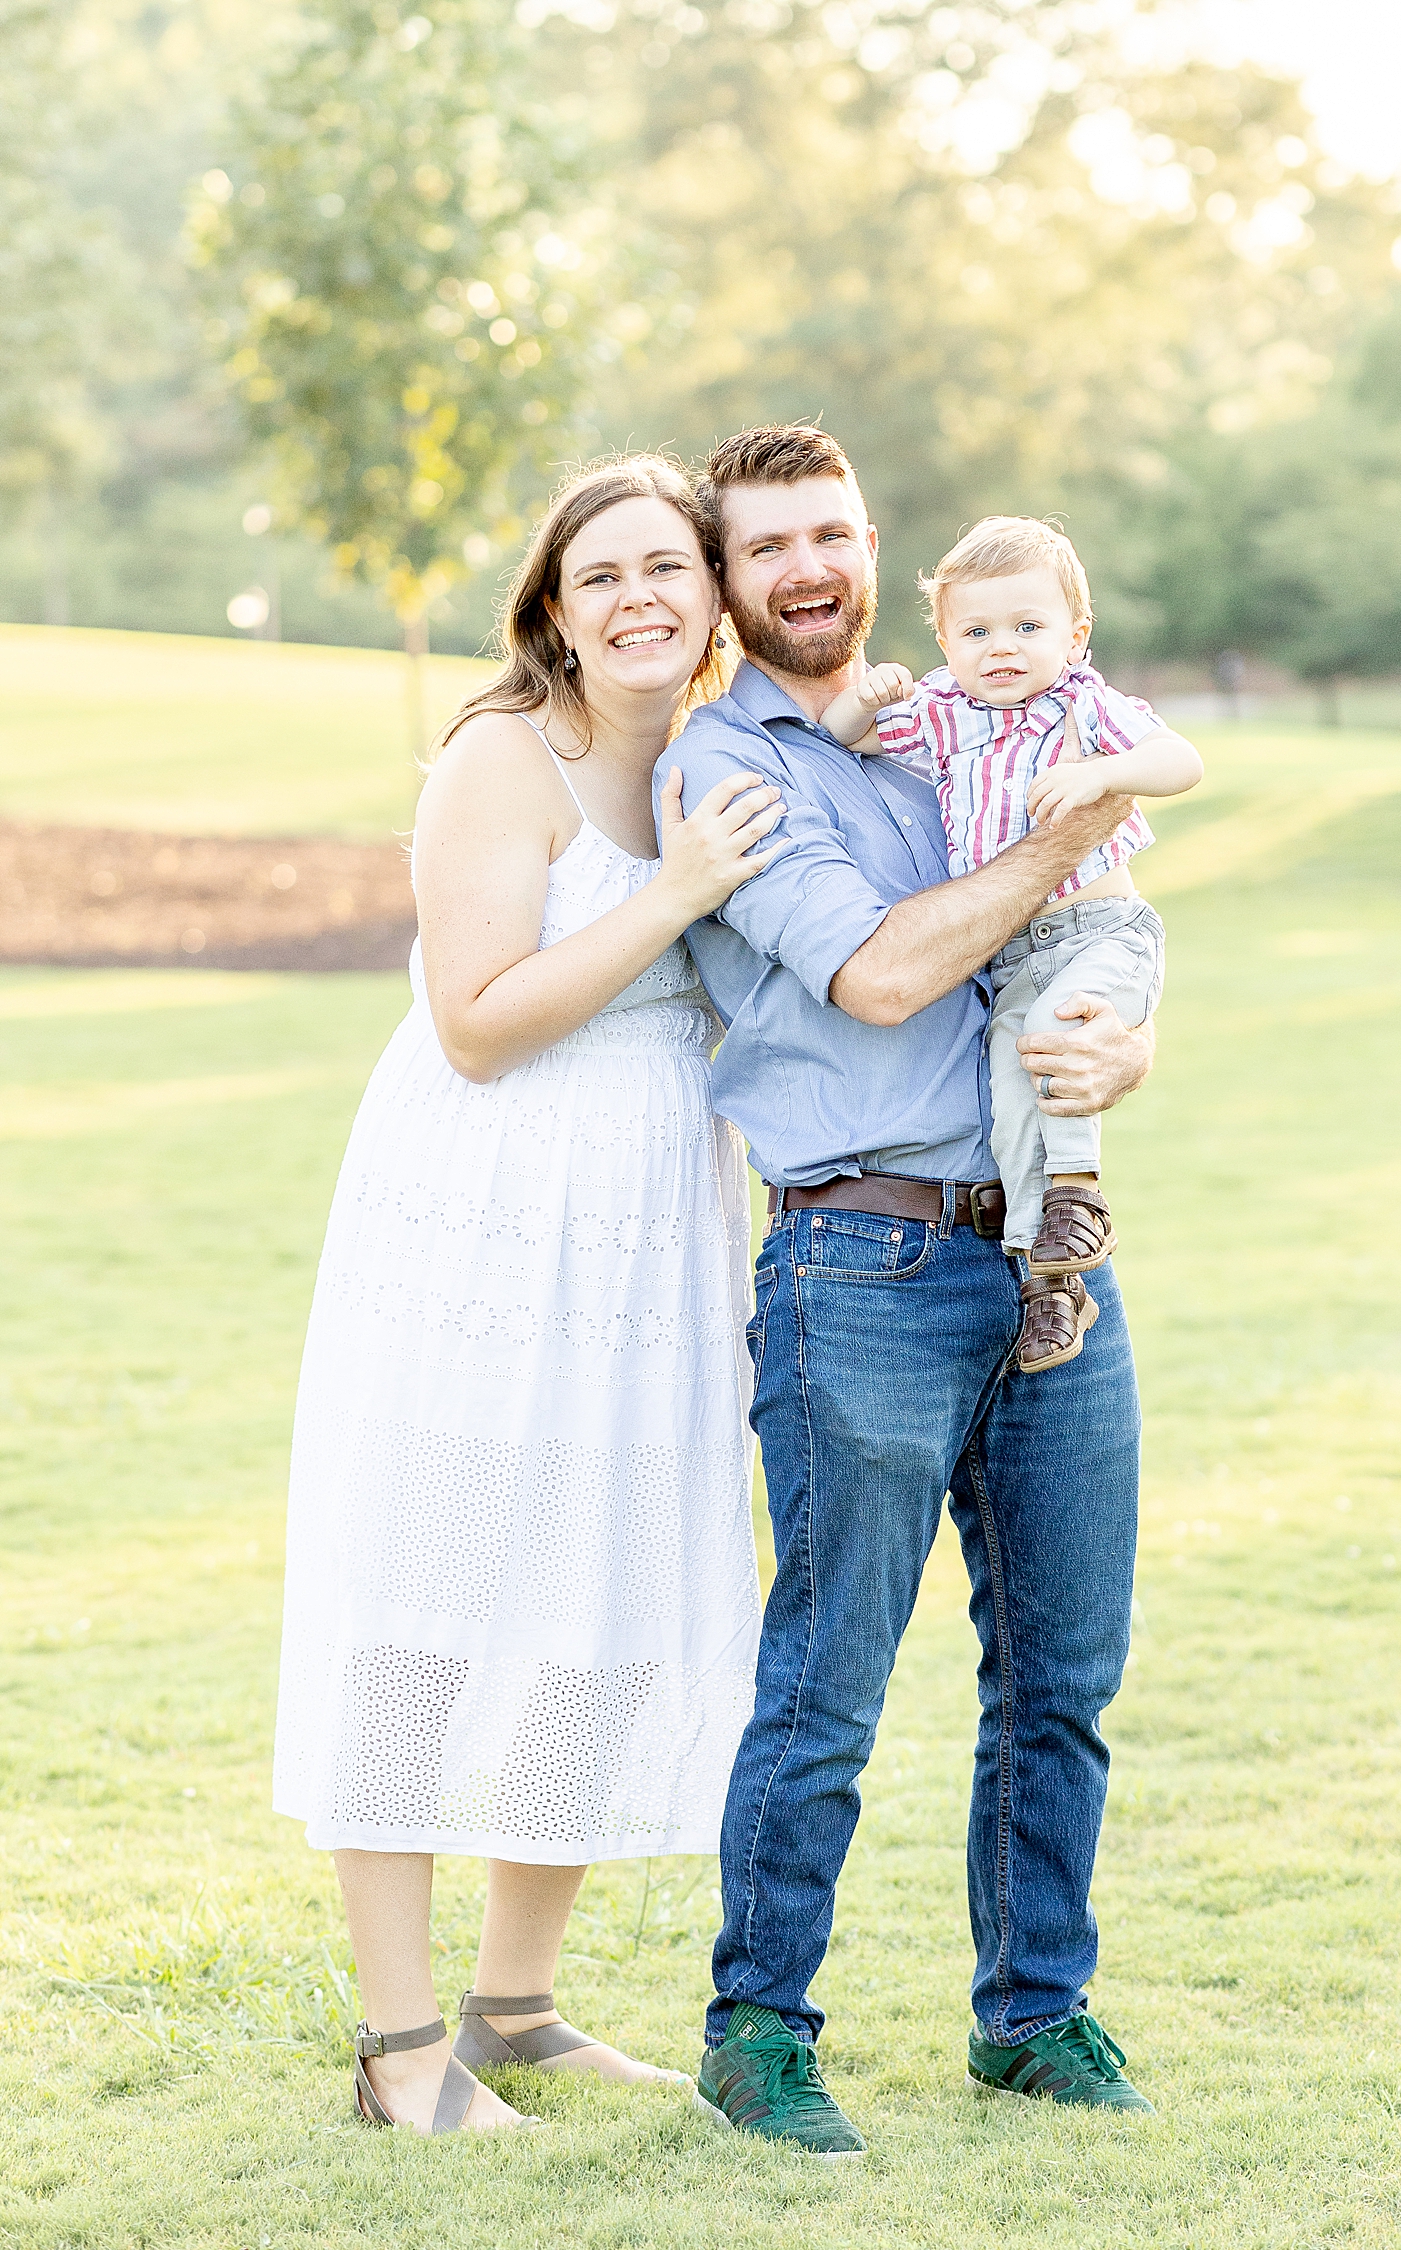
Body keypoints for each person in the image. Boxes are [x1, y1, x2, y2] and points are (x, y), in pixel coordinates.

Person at [657, 425, 1159, 2159]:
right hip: (856, 1260)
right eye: (763, 546)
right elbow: (882, 975)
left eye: (828, 533)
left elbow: (1066, 961)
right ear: (727, 584)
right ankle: (758, 2032)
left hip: (1038, 1239)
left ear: (874, 547)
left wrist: (1127, 1041)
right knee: (832, 1682)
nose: (804, 567)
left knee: (1062, 1669)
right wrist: (1065, 840)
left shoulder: (956, 725)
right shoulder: (728, 771)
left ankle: (1036, 2018)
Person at [272, 456, 783, 2136]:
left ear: (714, 596)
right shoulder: (506, 756)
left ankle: (514, 2008)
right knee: (425, 1597)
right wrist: (678, 891)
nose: (643, 598)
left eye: (672, 570)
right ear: (553, 611)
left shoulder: (715, 758)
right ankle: (399, 2051)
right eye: (605, 574)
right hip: (486, 1218)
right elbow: (478, 1022)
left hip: (651, 1226)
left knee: (603, 1606)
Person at [821, 514, 1203, 1372]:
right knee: (1010, 1084)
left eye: (1029, 627)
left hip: (1101, 930)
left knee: (1066, 1037)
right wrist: (868, 696)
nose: (1004, 648)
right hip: (1014, 955)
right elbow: (844, 739)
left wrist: (1105, 771)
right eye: (977, 631)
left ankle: (1078, 1196)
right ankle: (1050, 1275)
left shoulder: (1083, 705)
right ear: (947, 642)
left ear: (1077, 634)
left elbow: (1181, 762)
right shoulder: (944, 714)